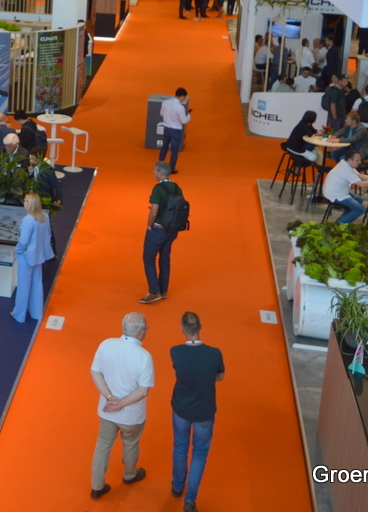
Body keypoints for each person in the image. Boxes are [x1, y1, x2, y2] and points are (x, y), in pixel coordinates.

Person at [89, 312, 155, 501]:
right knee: (131, 443)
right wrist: (121, 404)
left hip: (106, 411)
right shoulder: (144, 356)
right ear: (140, 332)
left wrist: (110, 398)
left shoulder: (106, 344)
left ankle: (97, 486)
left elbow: (95, 372)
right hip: (132, 416)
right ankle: (130, 474)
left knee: (103, 444)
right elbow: (142, 391)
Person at [170, 311, 225, 512]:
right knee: (200, 453)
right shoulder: (214, 353)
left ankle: (177, 487)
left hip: (181, 409)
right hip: (204, 411)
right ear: (200, 327)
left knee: (180, 447)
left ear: (182, 329)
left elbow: (177, 372)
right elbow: (221, 376)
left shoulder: (175, 351)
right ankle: (190, 499)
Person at [141, 160, 183, 303]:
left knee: (149, 259)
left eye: (155, 170)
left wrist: (149, 225)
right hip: (172, 230)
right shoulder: (176, 187)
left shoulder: (158, 189)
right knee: (165, 258)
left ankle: (154, 291)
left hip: (158, 230)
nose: (153, 172)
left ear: (160, 173)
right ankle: (164, 290)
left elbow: (154, 212)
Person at [11, 192, 54, 323]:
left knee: (23, 286)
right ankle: (36, 313)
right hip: (38, 255)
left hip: (26, 256)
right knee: (37, 283)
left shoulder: (28, 219)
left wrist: (17, 250)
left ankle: (19, 315)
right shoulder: (45, 216)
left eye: (25, 200)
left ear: (30, 203)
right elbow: (48, 235)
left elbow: (23, 241)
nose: (23, 202)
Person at [321, 151, 368, 224]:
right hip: (335, 196)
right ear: (350, 160)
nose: (360, 162)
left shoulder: (345, 163)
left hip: (336, 191)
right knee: (361, 210)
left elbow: (360, 176)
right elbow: (362, 184)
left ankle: (343, 218)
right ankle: (339, 223)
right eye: (357, 160)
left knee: (359, 199)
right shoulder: (345, 170)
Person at [159, 88, 191, 173]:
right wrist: (189, 115)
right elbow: (184, 121)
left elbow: (161, 113)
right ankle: (171, 168)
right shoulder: (180, 107)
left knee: (164, 147)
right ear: (183, 96)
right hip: (176, 130)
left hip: (166, 128)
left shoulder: (165, 102)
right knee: (174, 150)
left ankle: (160, 166)